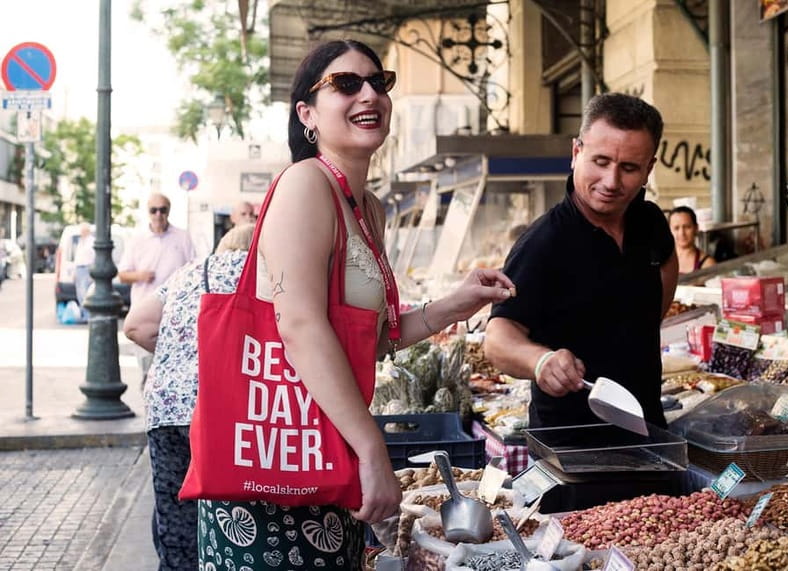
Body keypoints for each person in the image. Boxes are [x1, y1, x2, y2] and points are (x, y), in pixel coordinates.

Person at [196, 39, 516, 569]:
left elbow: (369, 339)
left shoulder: (367, 206)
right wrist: (372, 450)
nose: (369, 92)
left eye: (379, 81)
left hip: (325, 450)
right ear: (307, 114)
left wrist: (453, 305)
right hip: (278, 460)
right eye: (346, 84)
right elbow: (297, 324)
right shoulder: (306, 185)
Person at [484, 93, 678, 507]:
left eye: (628, 168)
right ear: (576, 153)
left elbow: (666, 264)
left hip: (648, 442)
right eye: (601, 162)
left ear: (649, 169)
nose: (612, 182)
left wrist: (639, 329)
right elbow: (497, 338)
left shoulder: (649, 221)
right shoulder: (545, 242)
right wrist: (540, 361)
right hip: (570, 459)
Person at [123, 223, 256, 571]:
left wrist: (182, 354)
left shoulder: (189, 272)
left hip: (166, 409)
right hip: (226, 410)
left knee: (176, 521)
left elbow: (136, 325)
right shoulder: (265, 272)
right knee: (237, 517)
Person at [118, 193, 195, 384]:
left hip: (175, 311)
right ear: (148, 212)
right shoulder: (137, 240)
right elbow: (122, 274)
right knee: (148, 370)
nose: (159, 214)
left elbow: (194, 268)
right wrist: (140, 275)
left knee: (174, 367)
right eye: (154, 210)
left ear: (169, 211)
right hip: (145, 311)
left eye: (163, 210)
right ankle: (149, 407)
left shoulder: (182, 237)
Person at [669, 205, 716, 274]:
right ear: (669, 231)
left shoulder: (707, 264)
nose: (682, 233)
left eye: (687, 227)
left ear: (696, 228)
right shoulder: (663, 261)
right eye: (676, 228)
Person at [73, 223, 95, 321]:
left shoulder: (91, 241)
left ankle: (87, 316)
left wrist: (91, 272)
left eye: (83, 231)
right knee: (79, 294)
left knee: (85, 293)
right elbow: (77, 257)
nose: (81, 233)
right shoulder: (81, 242)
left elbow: (94, 258)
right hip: (79, 269)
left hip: (87, 269)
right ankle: (83, 315)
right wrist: (74, 272)